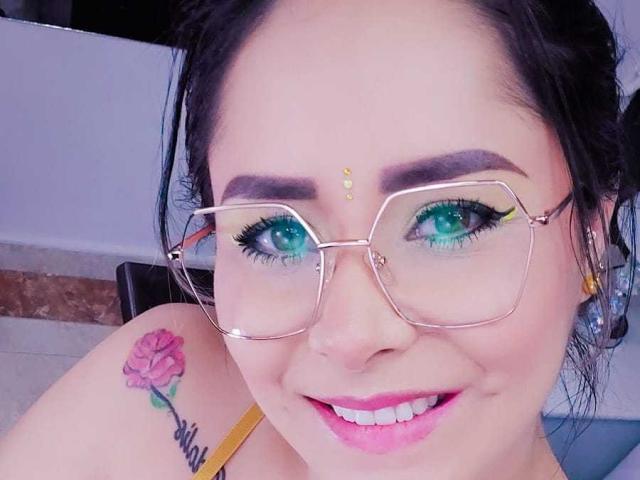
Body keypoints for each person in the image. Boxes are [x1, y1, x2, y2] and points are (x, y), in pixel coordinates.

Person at [0, 1, 637, 479]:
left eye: (451, 219)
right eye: (278, 234)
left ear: (589, 235)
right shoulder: (161, 391)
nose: (351, 336)